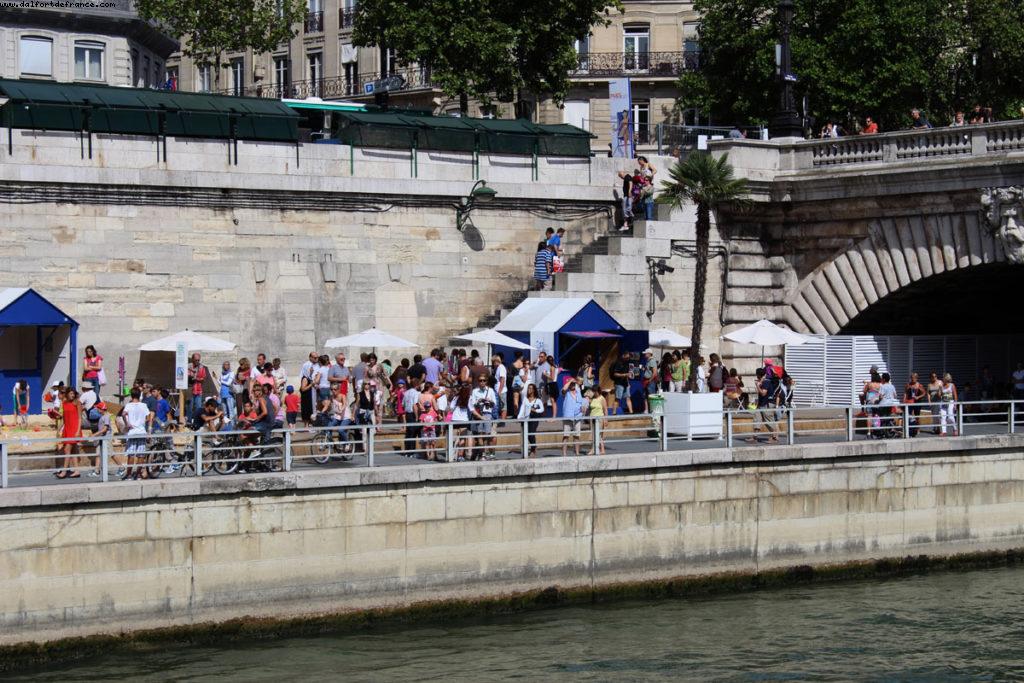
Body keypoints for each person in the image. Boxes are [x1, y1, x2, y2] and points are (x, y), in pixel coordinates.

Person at [57, 387, 84, 479]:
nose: (72, 395)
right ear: (67, 394)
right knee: (73, 450)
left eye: (73, 393)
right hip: (67, 428)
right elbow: (64, 418)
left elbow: (80, 418)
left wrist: (78, 431)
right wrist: (59, 429)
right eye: (70, 393)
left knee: (67, 450)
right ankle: (76, 471)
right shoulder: (64, 403)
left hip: (74, 429)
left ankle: (64, 471)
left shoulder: (77, 403)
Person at [469, 375, 498, 460]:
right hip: (479, 414)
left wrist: (489, 401)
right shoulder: (475, 391)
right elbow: (473, 404)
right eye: (480, 380)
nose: (482, 382)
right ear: (478, 382)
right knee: (480, 434)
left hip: (488, 413)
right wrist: (479, 401)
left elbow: (494, 404)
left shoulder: (491, 390)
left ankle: (484, 453)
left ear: (486, 381)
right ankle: (482, 454)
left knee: (487, 434)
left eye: (484, 380)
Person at [560, 379, 587, 457]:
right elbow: (564, 389)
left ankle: (577, 453)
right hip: (568, 416)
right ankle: (564, 454)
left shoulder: (578, 392)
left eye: (573, 384)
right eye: (571, 384)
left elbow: (581, 402)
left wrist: (583, 407)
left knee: (577, 436)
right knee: (566, 435)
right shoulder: (566, 393)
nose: (572, 385)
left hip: (577, 416)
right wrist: (569, 381)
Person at [518, 383, 545, 458]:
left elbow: (542, 409)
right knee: (525, 435)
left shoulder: (538, 400)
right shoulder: (525, 399)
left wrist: (535, 410)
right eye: (528, 388)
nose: (529, 390)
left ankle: (533, 449)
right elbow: (522, 408)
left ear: (534, 390)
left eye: (530, 388)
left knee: (531, 434)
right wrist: (519, 417)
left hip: (534, 419)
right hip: (526, 419)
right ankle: (530, 448)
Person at [449, 384, 472, 461]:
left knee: (454, 439)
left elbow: (451, 408)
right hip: (464, 420)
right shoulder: (469, 398)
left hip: (455, 419)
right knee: (462, 438)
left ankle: (452, 455)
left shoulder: (456, 397)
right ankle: (460, 456)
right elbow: (472, 409)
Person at [585, 388, 608, 456]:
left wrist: (606, 419)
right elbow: (589, 407)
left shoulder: (602, 398)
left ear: (597, 391)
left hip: (599, 418)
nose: (593, 393)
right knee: (595, 434)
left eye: (594, 391)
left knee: (597, 434)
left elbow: (605, 409)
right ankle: (602, 450)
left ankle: (593, 449)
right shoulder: (592, 399)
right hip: (592, 418)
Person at [402, 378, 422, 456]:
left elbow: (403, 404)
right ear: (417, 385)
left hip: (407, 414)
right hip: (413, 414)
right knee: (414, 433)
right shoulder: (417, 393)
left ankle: (407, 451)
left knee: (408, 433)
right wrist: (417, 417)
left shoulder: (406, 393)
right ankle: (412, 452)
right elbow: (415, 405)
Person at [186, 353, 209, 421]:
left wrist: (196, 378)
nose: (197, 361)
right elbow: (187, 377)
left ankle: (197, 422)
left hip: (198, 390)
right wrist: (192, 377)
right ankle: (189, 422)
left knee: (198, 408)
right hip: (190, 390)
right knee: (189, 407)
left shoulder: (202, 367)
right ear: (192, 359)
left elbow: (204, 379)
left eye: (199, 360)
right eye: (196, 360)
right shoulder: (188, 366)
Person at [904, 373, 927, 437]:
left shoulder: (919, 385)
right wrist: (904, 400)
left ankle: (918, 428)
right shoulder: (908, 384)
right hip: (910, 402)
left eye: (914, 378)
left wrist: (918, 397)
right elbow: (905, 393)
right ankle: (910, 428)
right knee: (909, 415)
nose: (912, 379)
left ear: (916, 378)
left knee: (917, 416)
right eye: (911, 377)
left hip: (917, 402)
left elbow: (924, 393)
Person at [299, 352, 317, 426]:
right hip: (306, 395)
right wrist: (311, 385)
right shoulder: (305, 378)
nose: (312, 370)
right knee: (306, 409)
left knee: (310, 409)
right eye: (311, 369)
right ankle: (306, 425)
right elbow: (303, 389)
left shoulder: (308, 378)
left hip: (310, 394)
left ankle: (309, 424)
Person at [491, 354, 508, 419]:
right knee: (500, 406)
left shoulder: (501, 367)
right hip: (498, 390)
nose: (493, 364)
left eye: (493, 362)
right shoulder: (498, 368)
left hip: (501, 391)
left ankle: (503, 420)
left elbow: (502, 380)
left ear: (496, 361)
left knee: (503, 406)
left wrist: (499, 391)